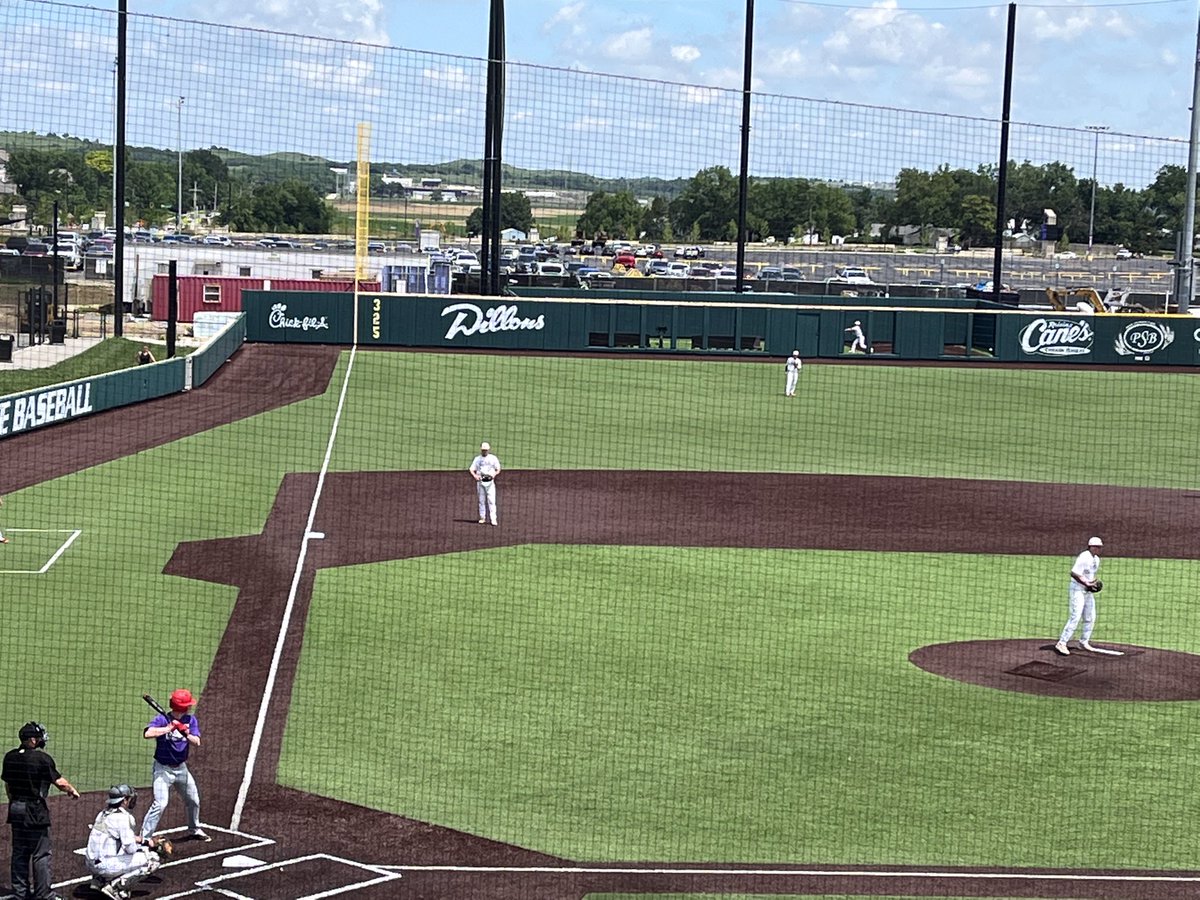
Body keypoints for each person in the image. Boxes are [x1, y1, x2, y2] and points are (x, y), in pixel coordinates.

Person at [1, 721, 80, 900]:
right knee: (41, 854)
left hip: (15, 809)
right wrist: (72, 790)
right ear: (32, 740)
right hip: (34, 810)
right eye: (38, 737)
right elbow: (60, 782)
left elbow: (8, 786)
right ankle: (44, 894)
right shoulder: (41, 758)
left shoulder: (10, 757)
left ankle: (20, 893)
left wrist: (14, 802)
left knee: (19, 852)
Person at [140, 688, 209, 843]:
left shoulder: (191, 720)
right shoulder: (162, 719)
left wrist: (185, 732)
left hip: (181, 769)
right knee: (160, 804)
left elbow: (197, 742)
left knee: (193, 800)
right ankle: (144, 838)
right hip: (162, 770)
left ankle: (194, 828)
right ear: (183, 706)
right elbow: (147, 733)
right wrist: (168, 728)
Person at [86, 785, 163, 900]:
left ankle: (99, 881)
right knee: (152, 859)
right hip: (104, 866)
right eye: (130, 798)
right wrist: (144, 848)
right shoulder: (123, 818)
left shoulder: (102, 813)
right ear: (124, 800)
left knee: (113, 847)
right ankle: (115, 887)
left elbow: (117, 835)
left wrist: (145, 841)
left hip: (90, 863)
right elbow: (130, 848)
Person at [1055, 536, 1104, 655]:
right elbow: (1074, 573)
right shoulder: (1084, 557)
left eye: (1100, 547)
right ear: (1091, 547)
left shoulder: (1096, 559)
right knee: (1075, 616)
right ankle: (1062, 643)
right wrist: (1086, 583)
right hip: (1077, 590)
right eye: (1097, 547)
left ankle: (1084, 641)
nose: (1099, 549)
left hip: (1087, 591)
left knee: (1090, 616)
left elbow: (1089, 575)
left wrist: (1092, 584)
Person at [469, 441, 502, 526]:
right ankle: (482, 517)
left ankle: (493, 519)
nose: (484, 451)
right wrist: (475, 476)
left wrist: (494, 475)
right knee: (481, 500)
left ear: (488, 450)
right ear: (481, 450)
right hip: (480, 481)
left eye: (486, 450)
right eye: (483, 450)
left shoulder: (493, 458)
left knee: (491, 500)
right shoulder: (477, 459)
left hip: (490, 482)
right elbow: (471, 469)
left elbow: (498, 468)